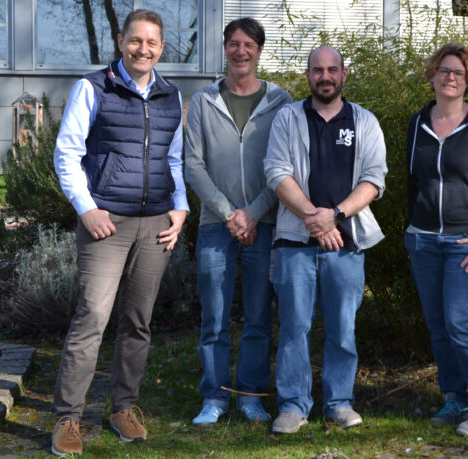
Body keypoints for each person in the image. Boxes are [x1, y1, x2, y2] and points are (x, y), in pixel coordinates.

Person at [50, 9, 188, 456]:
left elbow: (175, 161)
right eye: (135, 41)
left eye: (151, 42)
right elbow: (66, 155)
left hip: (156, 225)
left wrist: (181, 209)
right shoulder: (93, 88)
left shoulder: (171, 96)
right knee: (91, 317)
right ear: (120, 41)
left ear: (162, 47)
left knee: (138, 321)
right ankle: (68, 418)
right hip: (106, 224)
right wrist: (88, 210)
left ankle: (122, 408)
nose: (143, 49)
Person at [263, 45, 387, 434]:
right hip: (294, 243)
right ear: (308, 76)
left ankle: (339, 402)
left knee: (342, 328)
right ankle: (293, 405)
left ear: (344, 74)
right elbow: (276, 172)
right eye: (318, 70)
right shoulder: (288, 117)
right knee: (294, 326)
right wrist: (314, 219)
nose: (325, 77)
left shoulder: (364, 121)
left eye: (332, 69)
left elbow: (374, 179)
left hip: (347, 243)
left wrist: (333, 216)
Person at [184, 17, 292, 425]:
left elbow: (286, 167)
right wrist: (231, 214)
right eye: (234, 44)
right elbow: (193, 165)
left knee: (259, 317)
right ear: (225, 49)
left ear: (259, 51)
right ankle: (214, 397)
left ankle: (249, 395)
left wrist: (254, 213)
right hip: (216, 226)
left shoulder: (281, 102)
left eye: (249, 44)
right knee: (213, 316)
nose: (240, 51)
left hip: (263, 226)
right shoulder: (202, 102)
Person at [405, 42, 468, 438]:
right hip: (424, 240)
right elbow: (412, 180)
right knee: (437, 325)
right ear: (432, 74)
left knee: (459, 320)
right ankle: (454, 397)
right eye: (444, 70)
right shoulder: (418, 122)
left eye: (459, 73)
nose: (450, 77)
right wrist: (412, 230)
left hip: (467, 241)